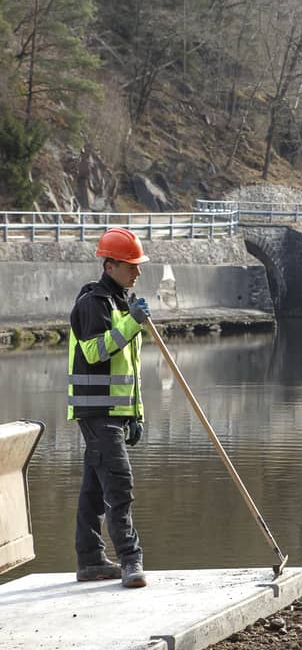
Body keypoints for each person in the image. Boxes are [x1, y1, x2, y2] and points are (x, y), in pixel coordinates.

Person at [67, 227, 152, 589]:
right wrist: (133, 323)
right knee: (118, 483)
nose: (138, 272)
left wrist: (136, 413)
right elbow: (93, 352)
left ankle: (90, 561)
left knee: (93, 488)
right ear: (110, 264)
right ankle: (131, 559)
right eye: (131, 265)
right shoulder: (93, 303)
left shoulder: (121, 302)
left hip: (113, 412)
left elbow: (129, 368)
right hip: (96, 412)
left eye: (138, 265)